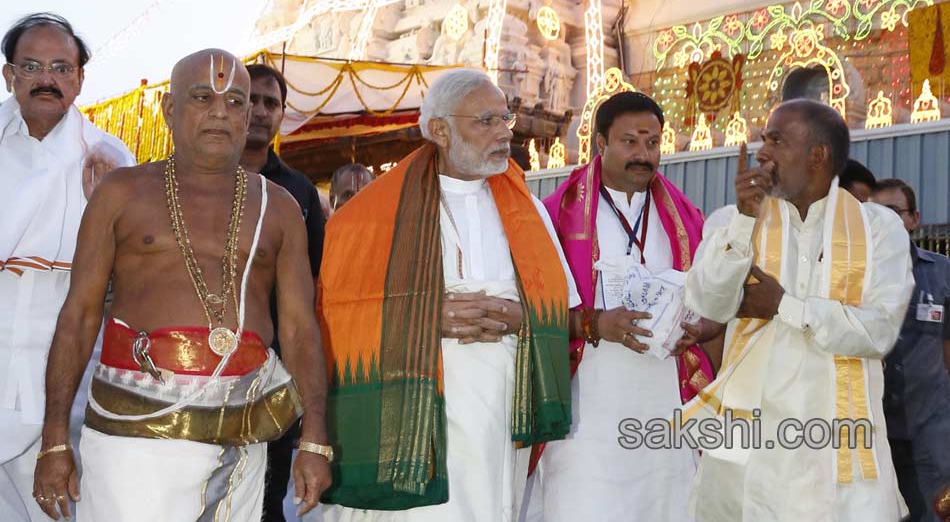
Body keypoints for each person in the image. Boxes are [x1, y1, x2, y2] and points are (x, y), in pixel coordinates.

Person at [32, 49, 331, 521]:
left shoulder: (281, 208)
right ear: (170, 110)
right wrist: (54, 440)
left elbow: (299, 329)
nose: (220, 112)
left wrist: (315, 438)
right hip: (134, 438)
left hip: (243, 437)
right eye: (201, 97)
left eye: (235, 101)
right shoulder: (121, 193)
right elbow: (79, 315)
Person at [318, 68, 580, 521]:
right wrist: (422, 317)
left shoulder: (529, 212)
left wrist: (523, 320)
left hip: (500, 413)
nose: (503, 134)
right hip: (409, 416)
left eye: (505, 120)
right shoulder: (367, 218)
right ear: (439, 129)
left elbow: (563, 311)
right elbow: (334, 318)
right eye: (486, 121)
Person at [681, 98, 914, 521]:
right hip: (751, 454)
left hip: (837, 453)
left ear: (817, 156)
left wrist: (785, 306)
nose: (762, 152)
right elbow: (705, 302)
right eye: (763, 139)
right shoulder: (729, 221)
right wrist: (743, 221)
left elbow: (878, 332)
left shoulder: (878, 227)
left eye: (777, 141)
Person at [533, 91, 720, 520]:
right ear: (600, 144)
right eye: (630, 142)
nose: (643, 154)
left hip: (663, 406)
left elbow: (716, 303)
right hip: (589, 410)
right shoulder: (556, 216)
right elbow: (531, 316)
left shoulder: (687, 218)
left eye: (652, 143)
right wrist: (595, 323)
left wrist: (700, 325)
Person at [0, 12, 135, 521]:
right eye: (32, 66)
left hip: (61, 375)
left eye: (62, 68)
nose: (48, 79)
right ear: (10, 75)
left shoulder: (107, 157)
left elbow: (132, 275)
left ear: (79, 79)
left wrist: (105, 210)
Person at [239, 63, 327, 522]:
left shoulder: (299, 192)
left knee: (264, 499)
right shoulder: (189, 178)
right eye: (248, 99)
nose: (258, 111)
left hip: (269, 372)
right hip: (189, 368)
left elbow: (314, 286)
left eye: (270, 103)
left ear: (282, 115)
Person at [871, 178, 950, 522]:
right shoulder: (858, 278)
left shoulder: (942, 273)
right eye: (874, 213)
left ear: (914, 218)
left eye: (892, 212)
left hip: (931, 438)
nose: (883, 221)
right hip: (875, 436)